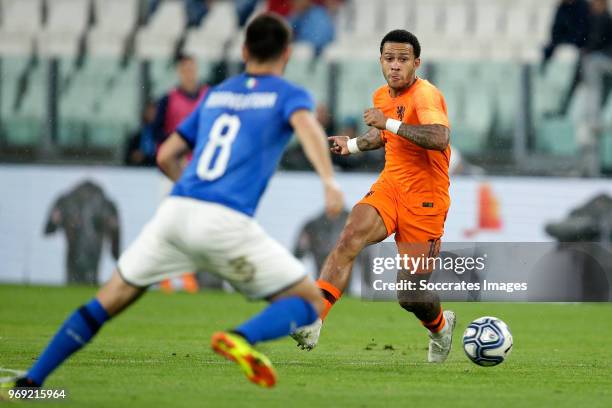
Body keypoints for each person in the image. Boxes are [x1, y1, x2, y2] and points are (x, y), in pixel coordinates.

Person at [7, 13, 343, 390]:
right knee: (309, 302)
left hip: (175, 213)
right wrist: (329, 181)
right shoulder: (289, 94)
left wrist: (193, 190)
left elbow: (166, 154)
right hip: (225, 222)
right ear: (287, 53)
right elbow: (308, 127)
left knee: (105, 302)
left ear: (244, 50)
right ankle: (241, 338)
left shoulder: (216, 93)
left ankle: (33, 381)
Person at [292, 30, 457, 363]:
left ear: (416, 63)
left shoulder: (426, 95)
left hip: (426, 200)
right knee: (350, 235)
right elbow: (382, 134)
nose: (395, 66)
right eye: (389, 59)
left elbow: (439, 137)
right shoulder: (382, 95)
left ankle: (440, 327)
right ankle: (314, 319)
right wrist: (352, 145)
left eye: (403, 60)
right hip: (391, 187)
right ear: (381, 61)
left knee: (409, 295)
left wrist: (390, 124)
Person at [44, 180, 120, 285]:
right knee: (90, 278)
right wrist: (115, 252)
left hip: (76, 250)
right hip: (92, 250)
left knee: (73, 278)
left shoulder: (66, 200)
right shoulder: (105, 203)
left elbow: (50, 227)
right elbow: (114, 228)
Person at [576, 0, 612, 176]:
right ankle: (588, 170)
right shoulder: (593, 19)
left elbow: (596, 43)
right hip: (600, 65)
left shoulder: (602, 19)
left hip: (603, 63)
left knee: (592, 64)